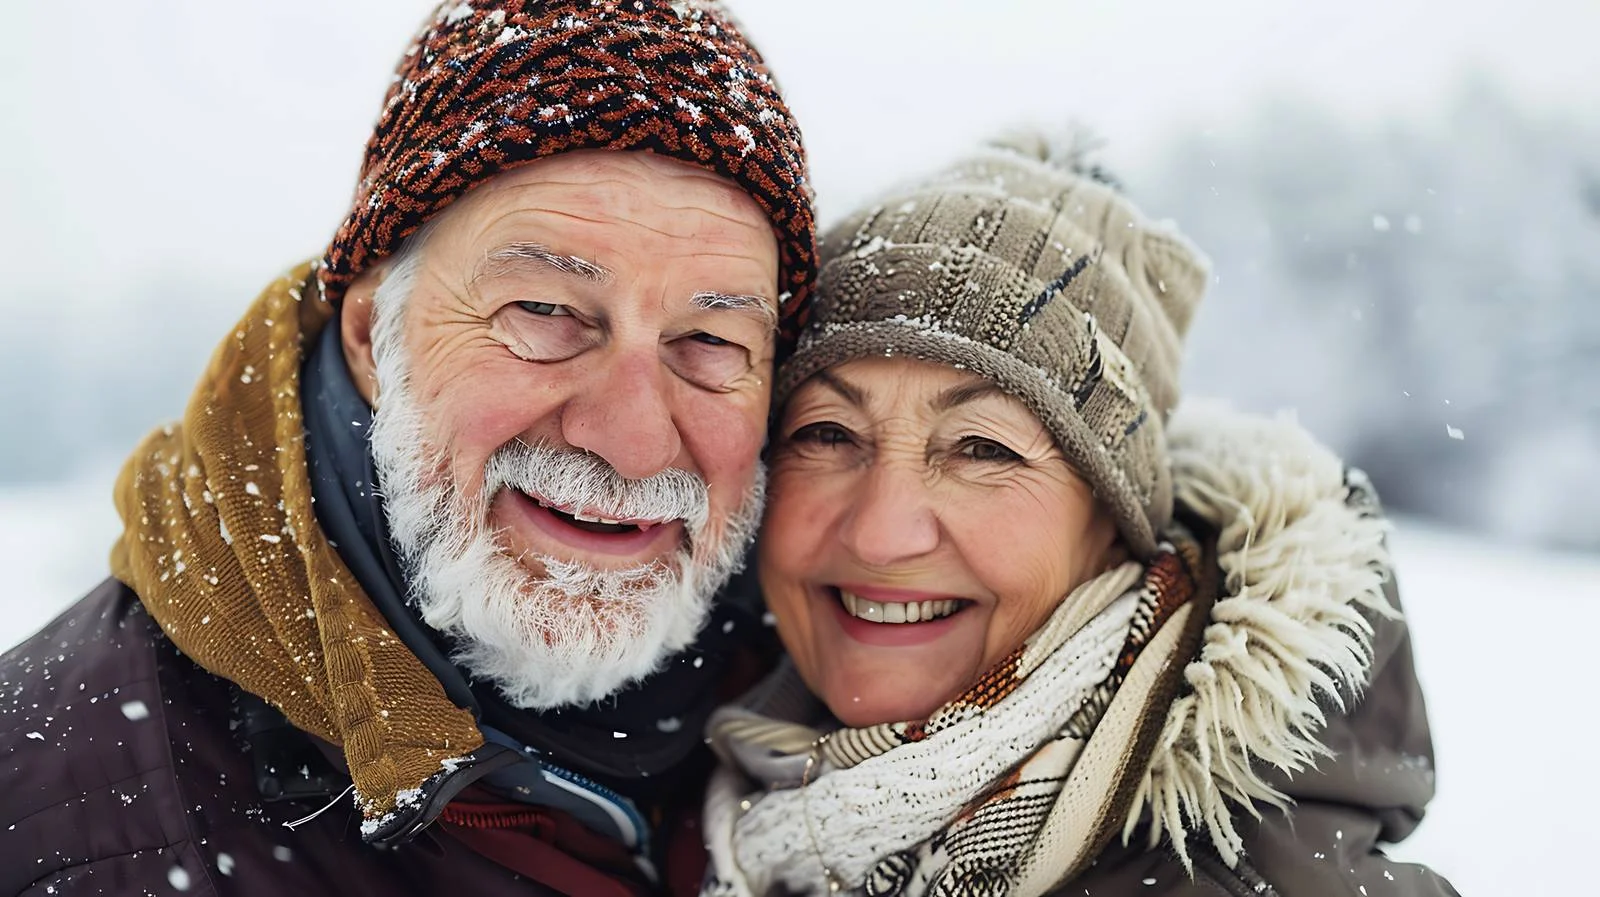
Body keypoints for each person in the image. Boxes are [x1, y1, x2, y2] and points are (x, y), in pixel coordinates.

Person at [0, 2, 815, 895]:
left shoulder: (836, 720)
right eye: (541, 313)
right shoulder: (66, 825)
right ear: (368, 334)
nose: (631, 442)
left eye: (709, 344)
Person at [700, 133, 1460, 896]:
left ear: (1115, 524)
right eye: (827, 433)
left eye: (982, 449)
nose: (880, 531)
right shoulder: (696, 766)